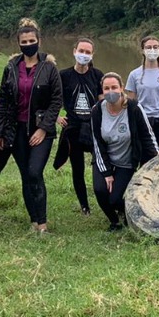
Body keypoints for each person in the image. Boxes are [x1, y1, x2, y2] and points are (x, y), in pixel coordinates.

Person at [0, 18, 63, 234]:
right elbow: (3, 100)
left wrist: (43, 128)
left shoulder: (49, 67)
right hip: (17, 130)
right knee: (26, 175)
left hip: (41, 130)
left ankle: (43, 223)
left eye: (31, 40)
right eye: (23, 41)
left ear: (39, 41)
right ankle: (34, 220)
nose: (27, 44)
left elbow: (56, 100)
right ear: (18, 43)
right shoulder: (11, 68)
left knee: (35, 172)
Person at [91, 72, 159, 231]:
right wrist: (107, 172)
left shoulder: (134, 107)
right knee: (100, 190)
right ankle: (114, 221)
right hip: (105, 158)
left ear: (121, 88)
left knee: (115, 199)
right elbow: (97, 143)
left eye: (114, 87)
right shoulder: (97, 110)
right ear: (102, 91)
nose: (110, 91)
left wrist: (156, 155)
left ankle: (129, 213)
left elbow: (147, 134)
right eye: (106, 88)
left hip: (126, 162)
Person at [55, 38, 104, 215]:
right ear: (74, 51)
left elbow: (102, 100)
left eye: (87, 52)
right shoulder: (64, 75)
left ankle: (106, 197)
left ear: (92, 55)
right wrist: (57, 117)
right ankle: (84, 206)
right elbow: (53, 99)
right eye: (81, 51)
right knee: (78, 168)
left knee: (102, 162)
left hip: (93, 127)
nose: (84, 55)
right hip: (73, 127)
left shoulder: (97, 75)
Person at [126, 34, 159, 150]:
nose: (152, 50)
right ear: (142, 50)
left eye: (155, 47)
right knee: (146, 157)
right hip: (143, 120)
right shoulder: (134, 75)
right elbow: (131, 105)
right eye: (148, 47)